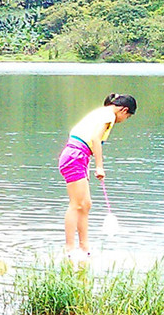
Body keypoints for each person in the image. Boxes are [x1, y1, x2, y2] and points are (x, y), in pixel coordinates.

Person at [59, 93, 138, 256]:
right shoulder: (108, 115)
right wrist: (99, 167)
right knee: (76, 204)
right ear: (124, 110)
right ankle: (69, 247)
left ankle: (84, 246)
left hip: (78, 157)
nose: (124, 120)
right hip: (75, 156)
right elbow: (95, 138)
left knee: (86, 204)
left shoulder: (102, 112)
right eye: (128, 117)